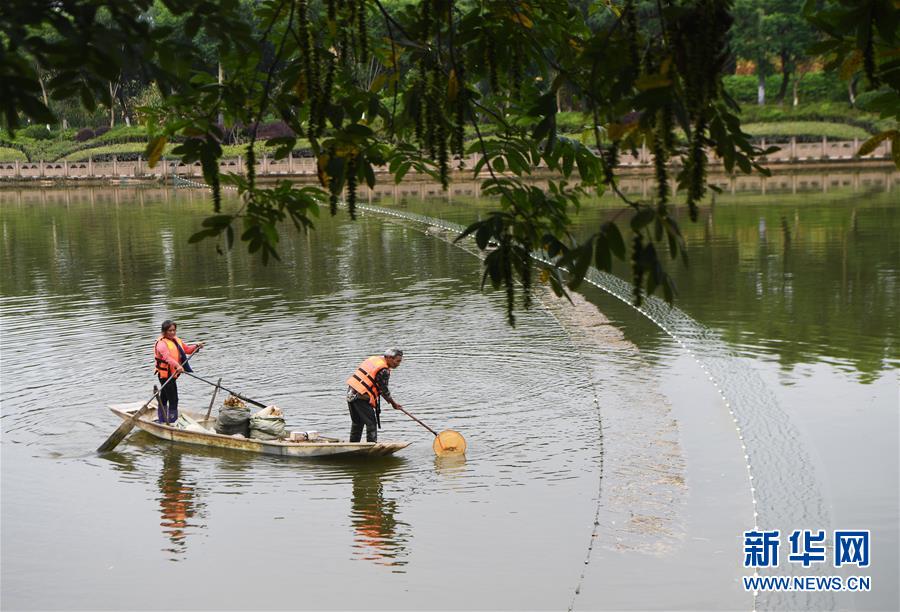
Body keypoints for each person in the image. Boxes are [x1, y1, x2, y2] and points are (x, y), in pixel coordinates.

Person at [346, 348, 404, 443]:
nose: (398, 364)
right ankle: (371, 446)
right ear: (389, 358)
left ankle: (353, 444)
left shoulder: (374, 359)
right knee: (371, 423)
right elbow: (384, 390)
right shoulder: (384, 370)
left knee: (357, 423)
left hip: (351, 392)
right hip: (361, 396)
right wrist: (394, 404)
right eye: (397, 361)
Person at [154, 320, 203, 424]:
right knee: (173, 399)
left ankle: (162, 419)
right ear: (164, 331)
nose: (172, 332)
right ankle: (172, 421)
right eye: (169, 331)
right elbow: (167, 357)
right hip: (165, 375)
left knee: (164, 396)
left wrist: (196, 347)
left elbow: (187, 350)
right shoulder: (161, 344)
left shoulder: (176, 340)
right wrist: (177, 365)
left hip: (173, 374)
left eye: (174, 330)